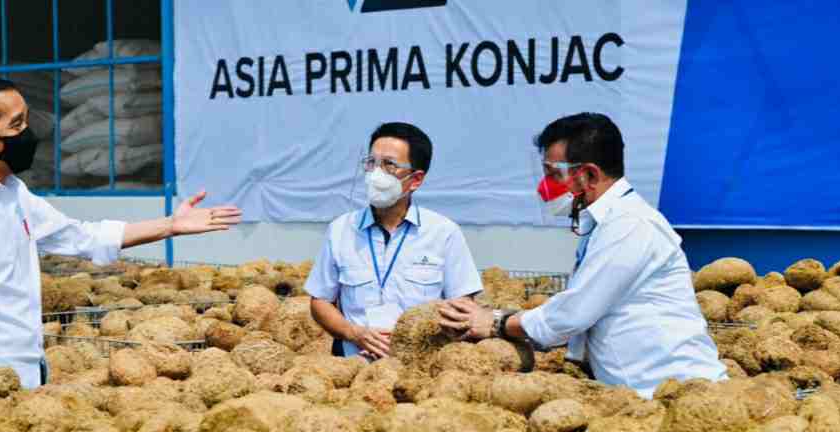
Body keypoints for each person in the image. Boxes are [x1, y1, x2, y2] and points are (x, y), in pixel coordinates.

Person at [0, 77, 242, 388]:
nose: (29, 132)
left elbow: (82, 236)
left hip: (27, 379)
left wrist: (171, 226)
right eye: (17, 125)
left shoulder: (14, 193)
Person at [438, 113, 726, 398]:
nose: (544, 185)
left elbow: (573, 314)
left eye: (553, 173)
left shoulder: (631, 225)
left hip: (677, 392)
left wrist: (496, 323)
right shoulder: (605, 224)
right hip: (643, 393)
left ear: (589, 174)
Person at [305, 122, 482, 359]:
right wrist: (354, 333)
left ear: (416, 179)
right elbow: (320, 302)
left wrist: (421, 337)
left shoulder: (443, 232)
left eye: (389, 165)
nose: (376, 174)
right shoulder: (340, 230)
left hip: (420, 368)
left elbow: (463, 305)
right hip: (352, 367)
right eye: (371, 163)